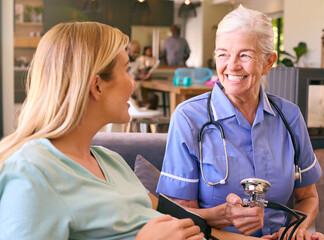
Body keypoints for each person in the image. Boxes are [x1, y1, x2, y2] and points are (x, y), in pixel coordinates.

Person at [0, 22, 204, 240]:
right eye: (126, 70)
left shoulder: (109, 161)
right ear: (97, 86)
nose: (133, 83)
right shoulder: (32, 173)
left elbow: (189, 222)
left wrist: (215, 216)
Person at [156, 5, 323, 239]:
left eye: (245, 55)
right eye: (223, 54)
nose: (232, 65)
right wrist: (224, 215)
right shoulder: (188, 118)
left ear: (268, 62)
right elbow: (180, 216)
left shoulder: (290, 117)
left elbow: (308, 197)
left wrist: (296, 230)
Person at [127, 40, 158, 110]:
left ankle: (146, 114)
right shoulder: (124, 60)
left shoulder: (138, 61)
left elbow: (142, 71)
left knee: (154, 98)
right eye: (134, 52)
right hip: (128, 89)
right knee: (137, 85)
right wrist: (137, 77)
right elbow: (125, 75)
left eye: (138, 52)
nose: (136, 54)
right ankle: (141, 104)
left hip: (137, 87)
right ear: (128, 49)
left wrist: (146, 72)